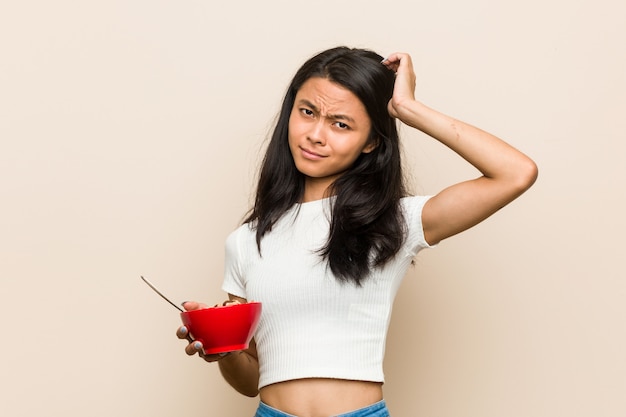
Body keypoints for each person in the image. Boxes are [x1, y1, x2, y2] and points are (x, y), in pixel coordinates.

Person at [176, 46, 538, 417]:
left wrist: (408, 109)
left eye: (341, 123)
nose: (316, 134)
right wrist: (223, 348)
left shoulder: (394, 221)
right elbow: (251, 381)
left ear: (372, 141)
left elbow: (515, 173)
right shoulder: (246, 241)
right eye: (307, 112)